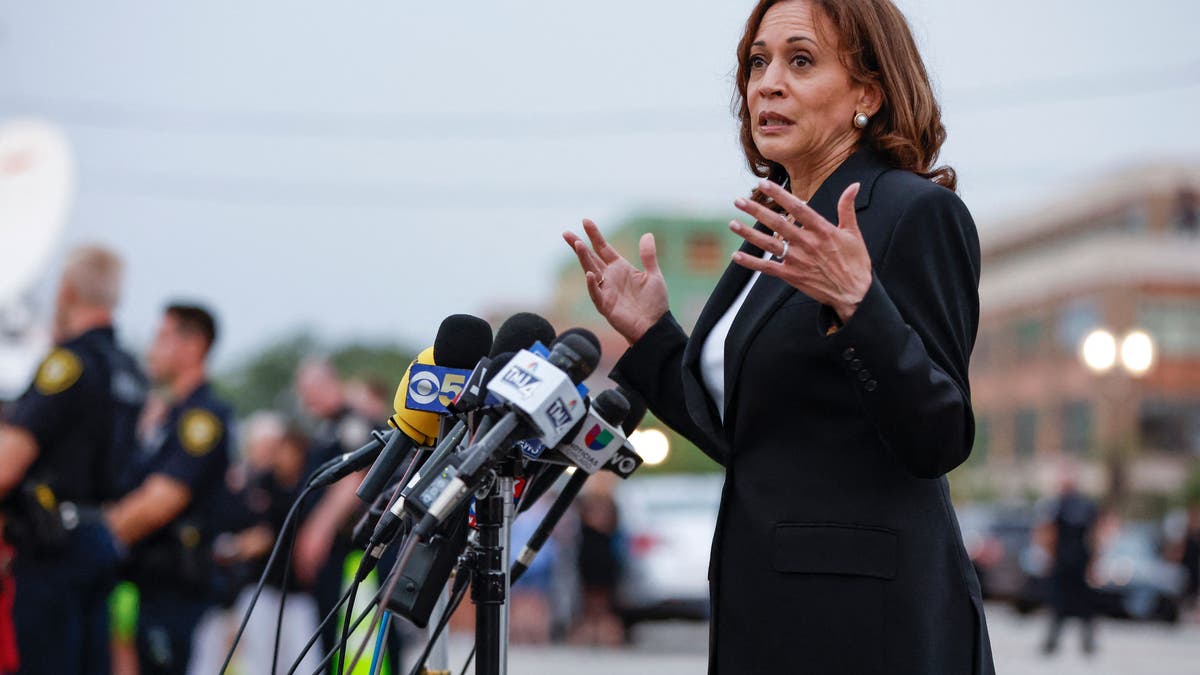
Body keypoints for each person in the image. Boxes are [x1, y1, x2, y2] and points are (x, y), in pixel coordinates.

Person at [564, 1, 993, 672]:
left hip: (870, 626)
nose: (766, 82)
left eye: (801, 60)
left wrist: (859, 304)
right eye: (757, 62)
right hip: (761, 612)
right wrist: (650, 333)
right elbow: (747, 437)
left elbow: (939, 434)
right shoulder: (772, 227)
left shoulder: (913, 213)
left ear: (868, 93)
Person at [0, 245, 147, 674]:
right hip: (100, 537)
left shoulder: (69, 363)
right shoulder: (129, 369)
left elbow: (8, 464)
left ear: (66, 291)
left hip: (51, 548)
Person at [104, 304, 232, 674]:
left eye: (162, 338)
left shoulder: (201, 417)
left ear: (193, 347)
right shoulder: (169, 414)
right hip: (147, 582)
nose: (152, 349)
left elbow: (160, 502)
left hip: (174, 588)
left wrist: (90, 536)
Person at [1037, 465, 1100, 656]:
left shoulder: (1069, 504)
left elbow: (1093, 535)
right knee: (1062, 604)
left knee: (1076, 604)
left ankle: (1082, 643)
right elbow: (1049, 533)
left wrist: (1093, 562)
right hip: (1068, 560)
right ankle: (1054, 642)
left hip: (1073, 560)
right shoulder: (1062, 504)